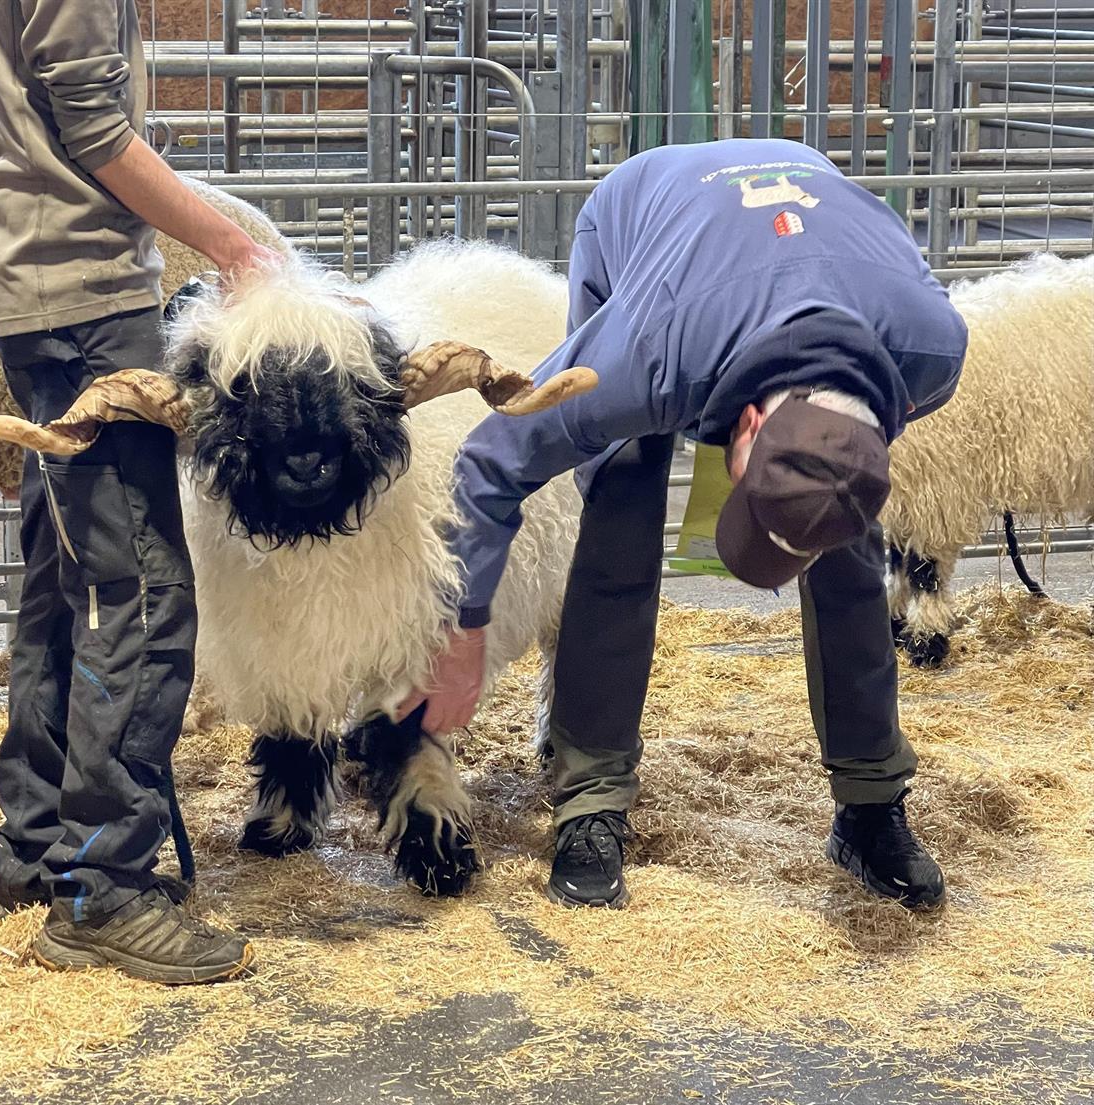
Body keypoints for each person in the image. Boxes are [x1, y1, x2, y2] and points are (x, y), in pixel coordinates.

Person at [399, 139, 968, 911]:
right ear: (750, 418)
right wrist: (463, 634)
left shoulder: (932, 348)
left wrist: (831, 476)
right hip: (649, 226)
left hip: (811, 245)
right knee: (622, 487)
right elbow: (491, 460)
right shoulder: (646, 354)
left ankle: (870, 806)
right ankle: (590, 797)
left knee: (843, 536)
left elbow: (850, 444)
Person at [0, 0, 280, 983]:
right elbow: (96, 130)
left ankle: (33, 850)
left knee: (67, 585)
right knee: (140, 591)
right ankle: (102, 887)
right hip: (85, 295)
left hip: (44, 287)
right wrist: (237, 248)